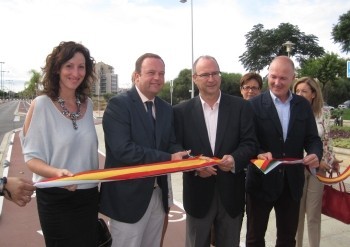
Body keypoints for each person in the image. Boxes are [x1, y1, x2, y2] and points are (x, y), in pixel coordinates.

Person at [99, 53, 188, 247]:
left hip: (158, 195)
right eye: (151, 72)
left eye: (161, 73)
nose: (157, 78)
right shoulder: (118, 105)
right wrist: (169, 158)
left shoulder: (166, 108)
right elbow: (124, 150)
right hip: (128, 199)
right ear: (136, 76)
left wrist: (184, 156)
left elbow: (171, 142)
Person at [20, 41, 100, 246]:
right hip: (57, 197)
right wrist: (58, 173)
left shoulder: (88, 104)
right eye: (69, 66)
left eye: (81, 67)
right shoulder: (42, 104)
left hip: (89, 196)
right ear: (57, 69)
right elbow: (31, 159)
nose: (76, 72)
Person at [173, 55, 257, 247]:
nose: (211, 79)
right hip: (197, 196)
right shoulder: (180, 112)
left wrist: (235, 159)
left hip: (231, 196)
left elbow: (250, 143)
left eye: (215, 73)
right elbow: (175, 147)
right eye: (205, 75)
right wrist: (195, 166)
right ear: (194, 78)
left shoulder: (241, 107)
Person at [245, 56, 323, 247]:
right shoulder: (253, 105)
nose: (277, 82)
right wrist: (259, 152)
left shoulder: (302, 105)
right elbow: (247, 141)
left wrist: (315, 153)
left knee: (288, 239)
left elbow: (313, 138)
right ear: (268, 75)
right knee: (255, 238)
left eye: (283, 78)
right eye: (273, 76)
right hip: (261, 182)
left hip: (291, 184)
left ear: (293, 78)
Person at [293, 77, 340, 247]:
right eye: (297, 91)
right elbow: (294, 142)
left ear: (313, 94)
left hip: (318, 172)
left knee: (313, 214)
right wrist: (315, 160)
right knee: (296, 215)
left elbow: (327, 140)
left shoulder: (323, 113)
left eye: (304, 91)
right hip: (298, 168)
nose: (299, 94)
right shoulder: (292, 112)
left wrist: (331, 159)